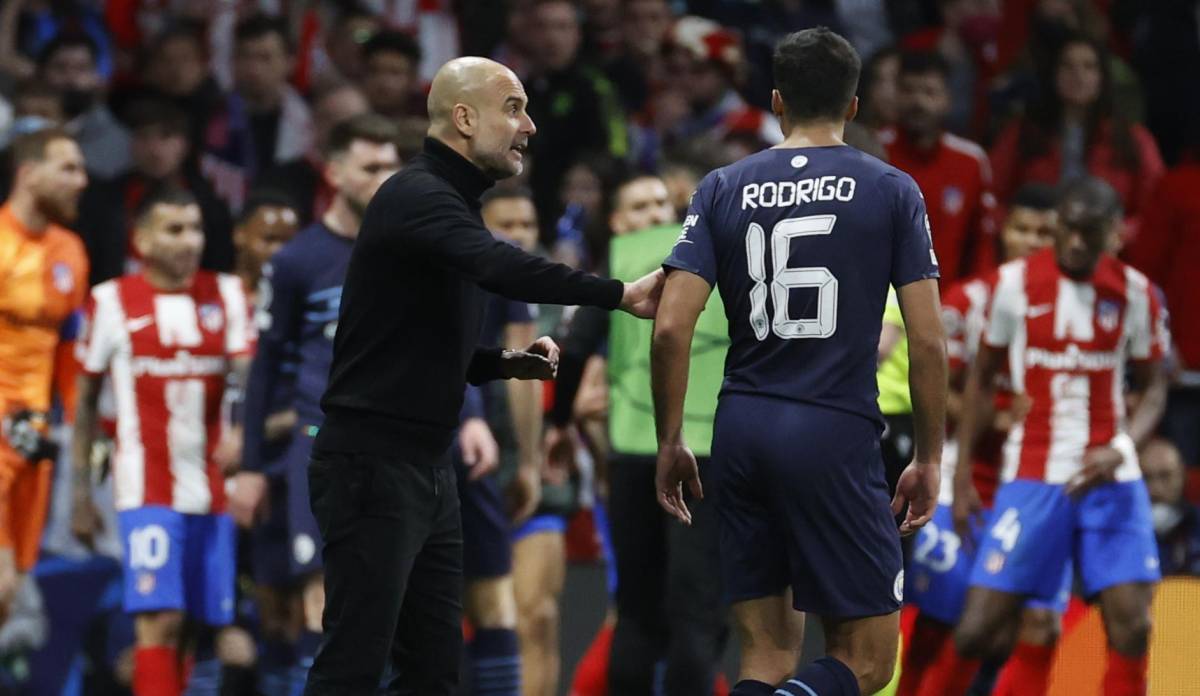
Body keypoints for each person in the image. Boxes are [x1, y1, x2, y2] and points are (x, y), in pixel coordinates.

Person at [302, 57, 663, 695]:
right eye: (514, 109)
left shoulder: (449, 207)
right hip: (372, 466)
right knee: (353, 665)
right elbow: (500, 266)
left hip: (424, 465)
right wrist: (617, 293)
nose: (528, 127)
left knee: (435, 670)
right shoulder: (418, 196)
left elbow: (400, 343)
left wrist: (499, 363)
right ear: (465, 119)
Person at [652, 28, 946, 696]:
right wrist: (929, 456)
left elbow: (671, 326)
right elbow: (927, 341)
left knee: (766, 658)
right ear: (853, 105)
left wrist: (672, 440)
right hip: (831, 427)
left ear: (777, 102)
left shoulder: (723, 185)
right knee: (867, 661)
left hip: (741, 427)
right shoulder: (892, 188)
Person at [952, 177, 1169, 696]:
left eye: (1088, 234)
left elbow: (1156, 386)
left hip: (1111, 480)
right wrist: (960, 476)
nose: (1074, 244)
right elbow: (981, 380)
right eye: (1067, 230)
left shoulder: (1137, 293)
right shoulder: (1014, 285)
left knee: (1133, 628)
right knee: (977, 630)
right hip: (1032, 476)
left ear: (1113, 234)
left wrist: (1120, 450)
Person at [227, 114, 400, 694]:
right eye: (371, 166)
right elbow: (266, 367)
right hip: (317, 445)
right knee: (318, 595)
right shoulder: (298, 260)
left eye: (391, 165)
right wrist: (252, 466)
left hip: (396, 448)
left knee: (389, 602)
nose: (385, 176)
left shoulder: (406, 252)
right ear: (335, 171)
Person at [549, 172, 730, 695]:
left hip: (634, 450)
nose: (655, 215)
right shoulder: (718, 253)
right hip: (704, 450)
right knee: (696, 613)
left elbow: (577, 345)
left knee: (637, 611)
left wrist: (558, 424)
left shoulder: (620, 262)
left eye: (660, 203)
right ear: (616, 219)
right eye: (640, 205)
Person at [71, 186, 252, 696]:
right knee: (160, 619)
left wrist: (240, 430)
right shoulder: (111, 301)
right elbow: (84, 402)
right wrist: (80, 496)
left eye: (196, 228)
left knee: (196, 626)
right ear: (143, 240)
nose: (190, 241)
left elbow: (246, 380)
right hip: (145, 489)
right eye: (175, 230)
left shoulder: (228, 294)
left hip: (214, 490)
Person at [898, 183, 1061, 696]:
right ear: (1003, 231)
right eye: (1024, 229)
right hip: (965, 477)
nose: (1033, 241)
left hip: (1038, 483)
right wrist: (993, 416)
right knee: (941, 624)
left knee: (1035, 626)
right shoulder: (968, 300)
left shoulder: (1079, 304)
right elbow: (935, 387)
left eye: (1045, 233)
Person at [0, 128, 89, 625]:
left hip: (34, 435)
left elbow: (70, 352)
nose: (83, 179)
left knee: (10, 593)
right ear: (29, 173)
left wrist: (79, 429)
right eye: (69, 168)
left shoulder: (70, 251)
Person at [989, 35, 1164, 235]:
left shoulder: (1134, 139)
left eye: (1089, 66)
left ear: (1102, 77)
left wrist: (1122, 232)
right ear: (1054, 74)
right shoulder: (1023, 132)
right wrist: (1018, 227)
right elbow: (990, 195)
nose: (1078, 75)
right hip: (1036, 245)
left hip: (1109, 250)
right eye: (1067, 66)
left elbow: (1158, 208)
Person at [880, 50, 997, 284]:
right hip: (882, 307)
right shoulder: (873, 154)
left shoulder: (970, 162)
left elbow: (982, 246)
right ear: (896, 95)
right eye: (909, 90)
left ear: (948, 99)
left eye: (929, 92)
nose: (918, 102)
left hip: (949, 307)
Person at [1142, 438, 1200, 576]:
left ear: (1182, 475)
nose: (1155, 489)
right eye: (1146, 478)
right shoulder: (1122, 532)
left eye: (1165, 476)